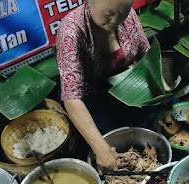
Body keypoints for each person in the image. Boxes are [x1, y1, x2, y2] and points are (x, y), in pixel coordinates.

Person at [55, 0, 152, 169]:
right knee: (111, 145)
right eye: (108, 14)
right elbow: (72, 98)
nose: (115, 20)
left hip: (126, 84)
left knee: (160, 116)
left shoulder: (127, 17)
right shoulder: (70, 31)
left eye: (122, 13)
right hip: (92, 96)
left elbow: (145, 53)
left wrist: (161, 84)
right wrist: (100, 148)